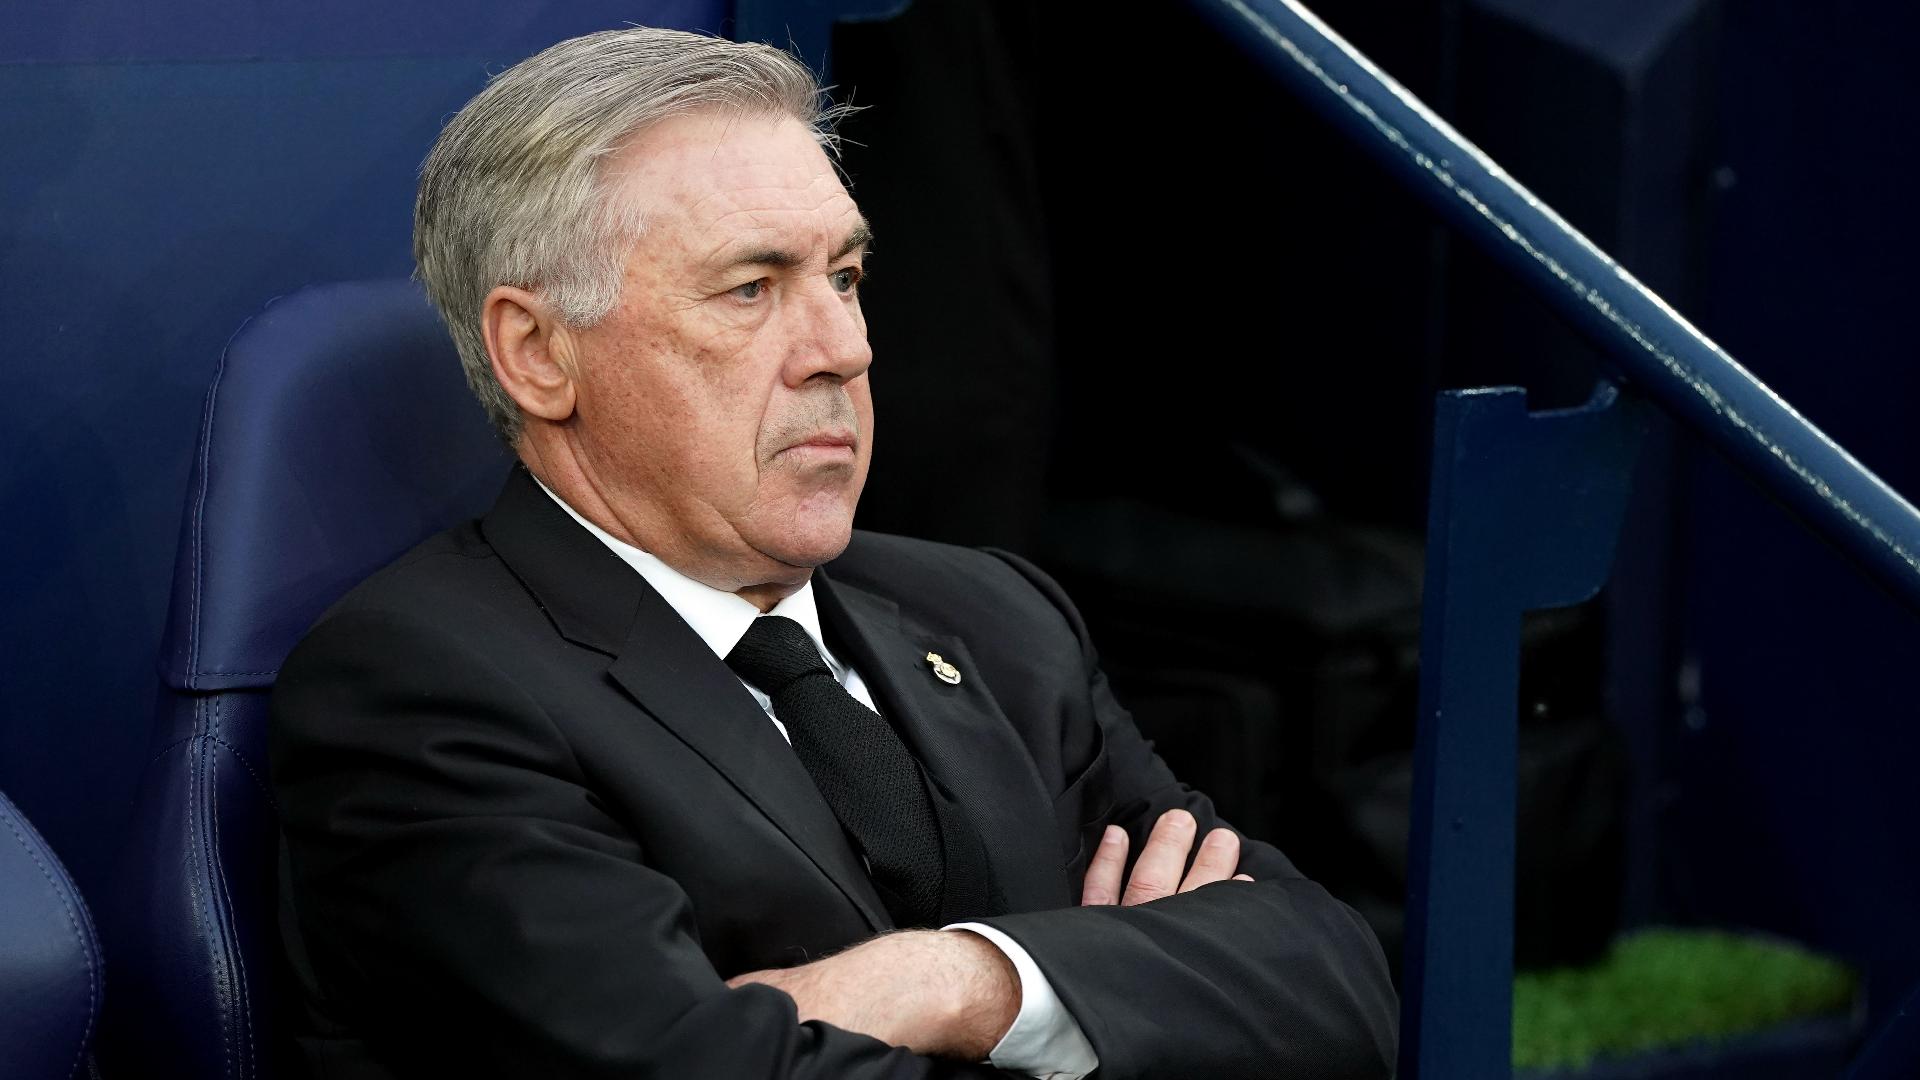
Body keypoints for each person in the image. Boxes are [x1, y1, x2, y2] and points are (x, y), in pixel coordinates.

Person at [270, 26, 1397, 1080]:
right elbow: (693, 1064)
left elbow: (1329, 985)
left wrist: (955, 982)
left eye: (846, 278)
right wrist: (1113, 1003)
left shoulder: (996, 616)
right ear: (537, 353)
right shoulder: (422, 688)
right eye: (751, 288)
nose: (843, 349)